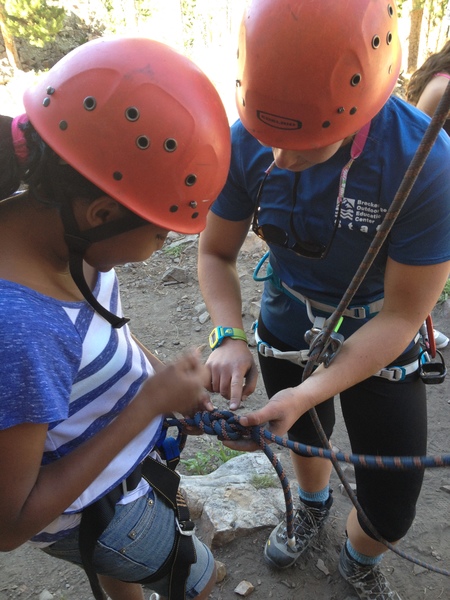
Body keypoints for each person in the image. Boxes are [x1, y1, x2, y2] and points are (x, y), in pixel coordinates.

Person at [197, 1, 450, 599]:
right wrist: (229, 336)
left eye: (309, 144)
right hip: (288, 319)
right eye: (267, 137)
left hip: (379, 334)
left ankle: (360, 559)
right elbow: (214, 255)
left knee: (391, 505)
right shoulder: (249, 141)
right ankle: (311, 504)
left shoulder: (423, 165)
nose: (280, 159)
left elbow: (402, 312)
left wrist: (310, 387)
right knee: (304, 436)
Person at [0, 36, 231, 600]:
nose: (158, 246)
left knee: (127, 575)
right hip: (84, 506)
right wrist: (149, 405)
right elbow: (12, 524)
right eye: (159, 234)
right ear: (100, 213)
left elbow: (103, 333)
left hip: (113, 467)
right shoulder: (23, 331)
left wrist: (161, 382)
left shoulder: (64, 237)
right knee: (196, 580)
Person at [406, 39, 450, 350]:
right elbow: (414, 143)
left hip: (437, 186)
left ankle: (417, 325)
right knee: (419, 267)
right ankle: (412, 328)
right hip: (426, 190)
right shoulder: (442, 88)